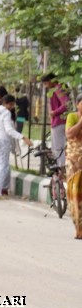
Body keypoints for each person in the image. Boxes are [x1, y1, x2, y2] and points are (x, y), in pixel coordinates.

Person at [0, 94, 32, 198]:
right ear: (7, 104)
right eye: (12, 105)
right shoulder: (6, 113)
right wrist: (23, 137)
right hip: (2, 140)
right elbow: (9, 130)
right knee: (2, 166)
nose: (12, 108)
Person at [42, 73, 70, 167]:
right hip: (60, 121)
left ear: (51, 81)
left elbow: (65, 104)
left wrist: (54, 112)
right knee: (59, 147)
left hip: (59, 121)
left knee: (58, 148)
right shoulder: (59, 88)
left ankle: (61, 169)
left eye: (45, 83)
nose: (45, 86)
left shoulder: (58, 88)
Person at [64, 97, 82, 239]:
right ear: (77, 104)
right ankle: (78, 228)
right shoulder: (72, 117)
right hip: (74, 162)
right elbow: (69, 133)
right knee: (74, 195)